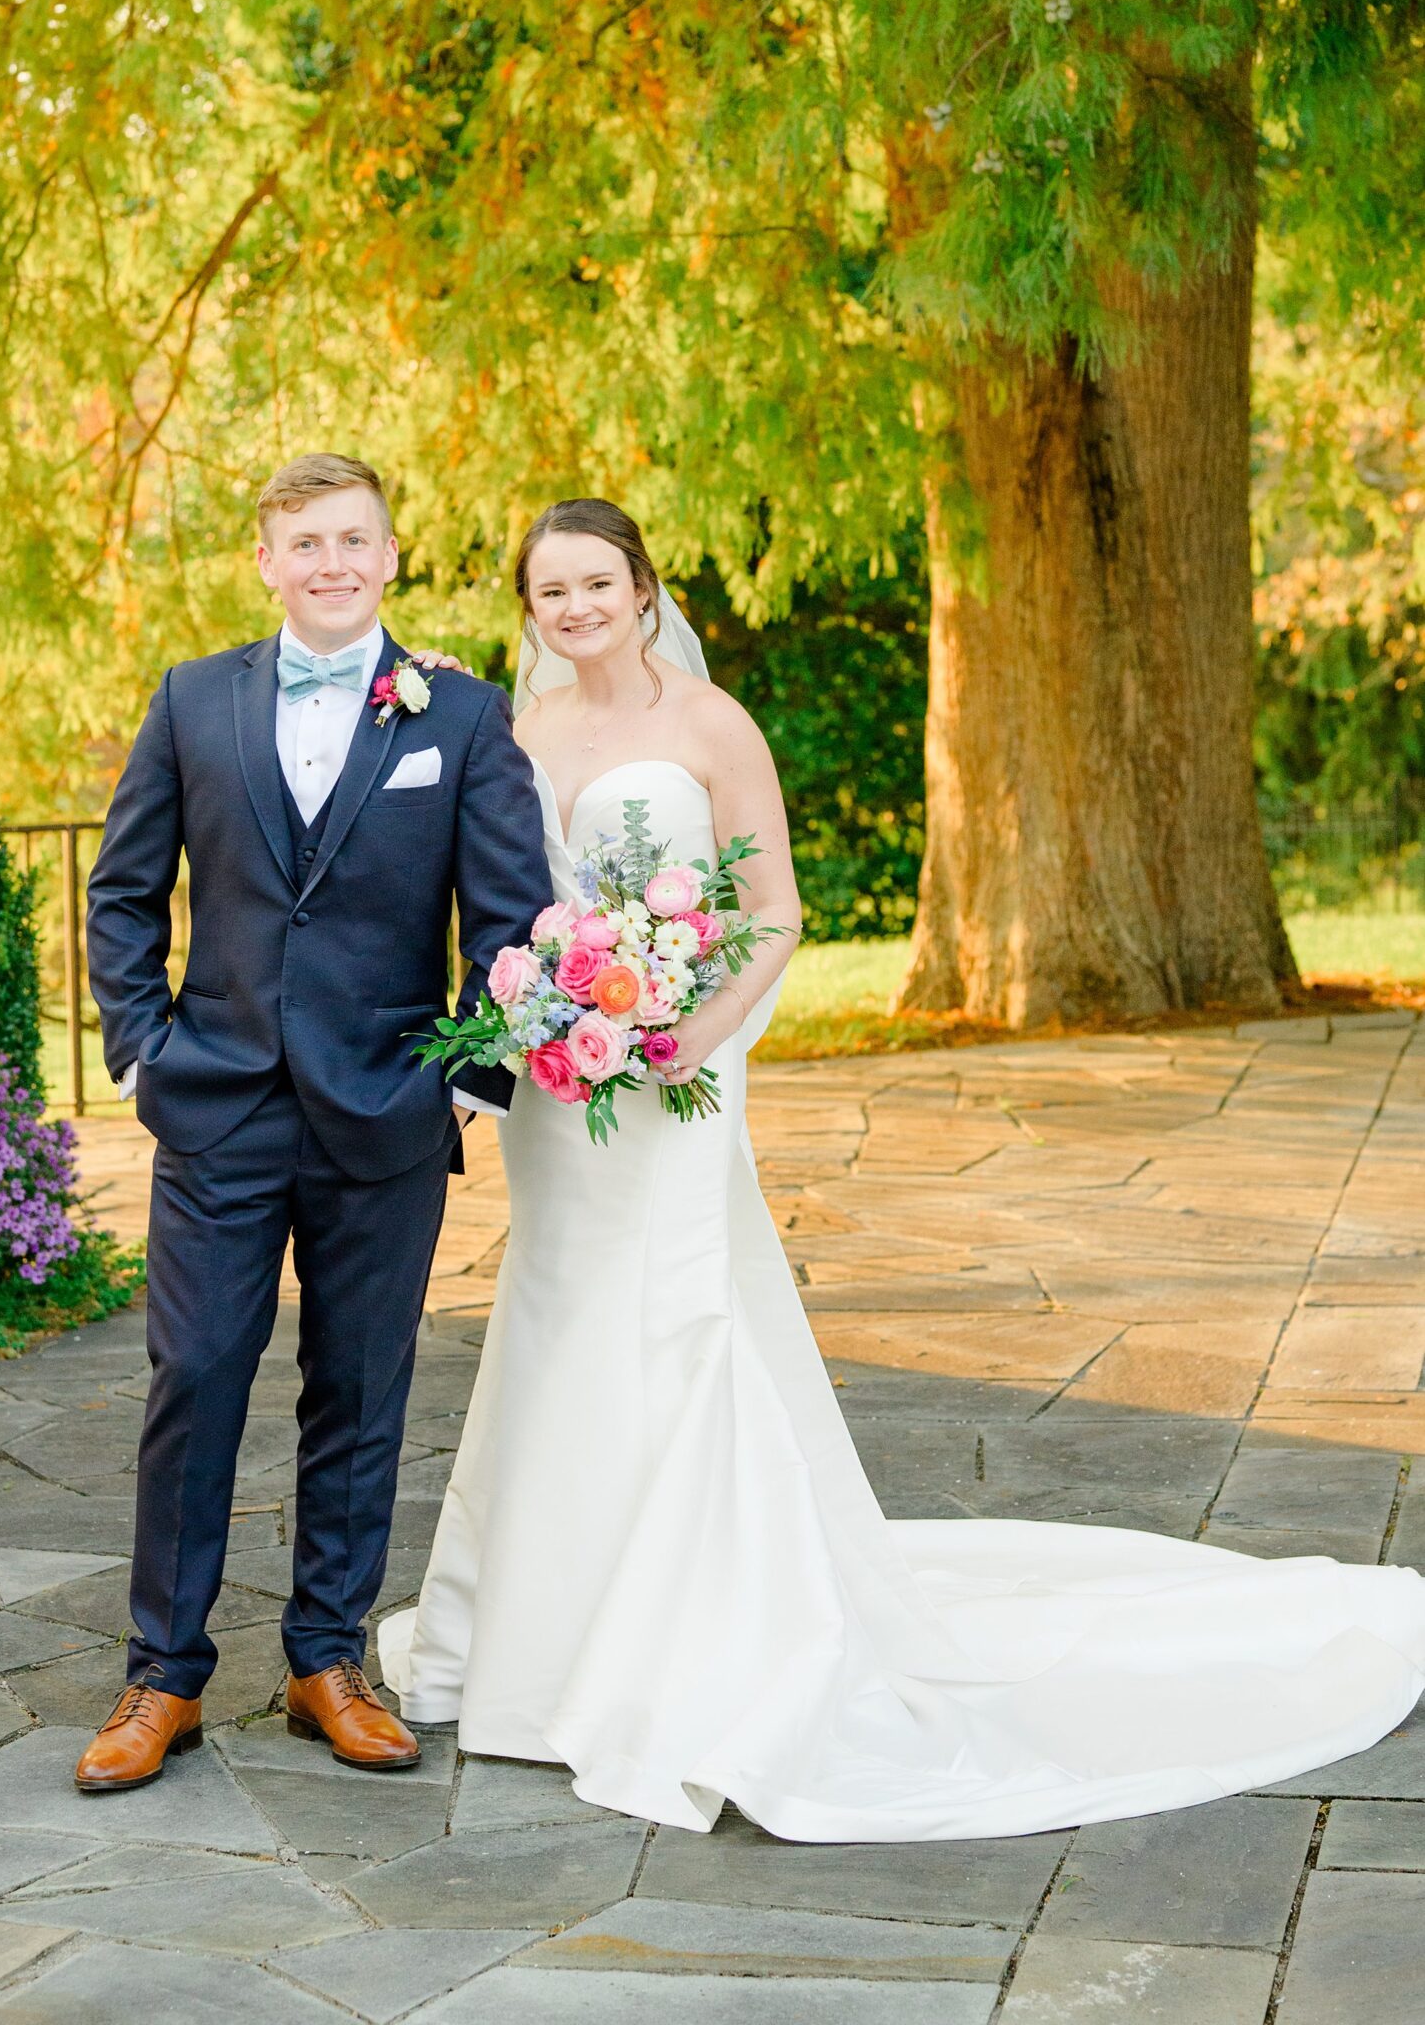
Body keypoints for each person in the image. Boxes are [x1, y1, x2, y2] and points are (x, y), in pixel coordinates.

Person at [381, 496, 1425, 1841]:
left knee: (686, 1314)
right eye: (550, 592)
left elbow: (773, 910)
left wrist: (694, 1023)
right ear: (530, 612)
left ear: (646, 590)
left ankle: (696, 1643)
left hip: (687, 1074)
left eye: (597, 583)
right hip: (570, 1089)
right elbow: (502, 909)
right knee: (560, 1320)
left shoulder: (710, 725)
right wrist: (549, 1020)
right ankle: (549, 1633)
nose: (575, 609)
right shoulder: (518, 738)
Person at [75, 453, 551, 1791]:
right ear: (267, 562)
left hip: (385, 1114)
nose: (332, 564)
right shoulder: (191, 701)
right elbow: (124, 895)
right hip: (217, 1106)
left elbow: (507, 918)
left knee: (361, 1392)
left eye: (354, 541)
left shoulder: (457, 714)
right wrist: (140, 1055)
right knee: (197, 1380)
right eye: (306, 544)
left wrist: (463, 1080)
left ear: (391, 554)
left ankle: (325, 1660)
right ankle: (161, 1676)